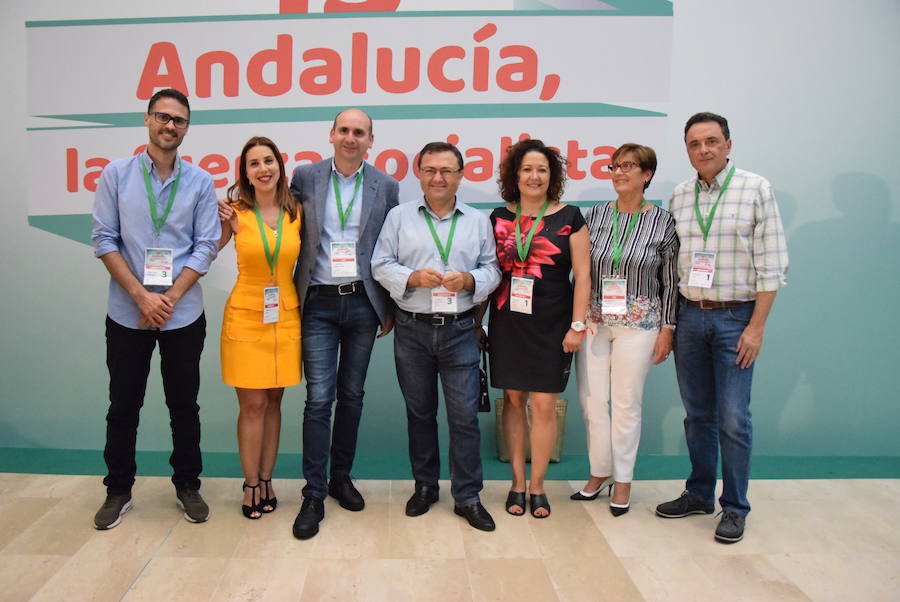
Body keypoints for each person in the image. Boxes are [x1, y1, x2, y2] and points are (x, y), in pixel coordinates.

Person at [90, 88, 220, 529]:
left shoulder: (201, 182)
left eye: (179, 120)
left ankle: (187, 485)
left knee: (184, 404)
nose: (170, 126)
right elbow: (104, 239)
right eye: (163, 117)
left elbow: (205, 247)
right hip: (128, 312)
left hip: (182, 314)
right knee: (123, 404)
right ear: (147, 120)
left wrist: (169, 298)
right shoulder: (116, 174)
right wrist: (142, 296)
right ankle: (118, 490)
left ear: (186, 128)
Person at [655, 112, 788, 543]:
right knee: (698, 415)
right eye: (695, 144)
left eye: (712, 141)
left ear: (728, 144)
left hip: (736, 317)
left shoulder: (755, 189)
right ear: (687, 150)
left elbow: (773, 264)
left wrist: (757, 327)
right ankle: (698, 493)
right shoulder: (678, 196)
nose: (704, 150)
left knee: (733, 417)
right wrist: (671, 324)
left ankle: (734, 506)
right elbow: (669, 265)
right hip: (691, 314)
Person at [372, 142, 501, 532]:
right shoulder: (399, 217)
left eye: (447, 170)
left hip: (461, 329)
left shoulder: (478, 221)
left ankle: (467, 496)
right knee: (420, 414)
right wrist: (410, 277)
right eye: (430, 170)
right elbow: (380, 263)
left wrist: (470, 280)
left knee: (464, 418)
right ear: (420, 173)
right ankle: (425, 487)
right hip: (412, 328)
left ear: (461, 175)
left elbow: (492, 269)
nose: (438, 178)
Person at [290, 109, 400, 540]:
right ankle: (313, 493)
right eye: (345, 130)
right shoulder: (305, 177)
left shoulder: (386, 186)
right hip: (315, 302)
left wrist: (388, 305)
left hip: (362, 303)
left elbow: (390, 247)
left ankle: (340, 477)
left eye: (360, 132)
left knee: (351, 395)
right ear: (331, 134)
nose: (351, 138)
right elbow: (274, 214)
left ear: (371, 139)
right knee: (319, 399)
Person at [572, 143, 679, 516]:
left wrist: (668, 328)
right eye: (614, 166)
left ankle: (623, 479)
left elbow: (670, 280)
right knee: (591, 402)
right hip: (595, 321)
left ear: (646, 174)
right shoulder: (595, 216)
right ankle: (599, 472)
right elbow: (581, 271)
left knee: (625, 404)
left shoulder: (663, 221)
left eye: (628, 166)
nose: (619, 172)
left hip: (640, 323)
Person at [488, 138, 590, 518]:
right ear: (516, 175)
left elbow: (583, 277)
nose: (534, 176)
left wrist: (576, 326)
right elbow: (489, 273)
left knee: (544, 404)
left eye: (542, 170)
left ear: (553, 176)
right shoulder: (499, 217)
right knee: (513, 402)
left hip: (553, 325)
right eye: (527, 169)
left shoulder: (570, 217)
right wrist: (478, 322)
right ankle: (516, 482)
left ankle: (538, 486)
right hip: (507, 323)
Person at [219, 137, 302, 519]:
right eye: (254, 164)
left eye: (269, 161)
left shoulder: (295, 210)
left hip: (285, 315)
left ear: (280, 166)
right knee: (252, 405)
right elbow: (205, 249)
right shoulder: (234, 212)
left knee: (274, 402)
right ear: (245, 173)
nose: (263, 169)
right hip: (247, 313)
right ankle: (250, 482)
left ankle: (268, 478)